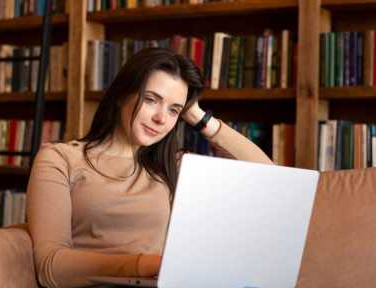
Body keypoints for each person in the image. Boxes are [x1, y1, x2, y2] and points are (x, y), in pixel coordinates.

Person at [27, 47, 273, 288]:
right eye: (151, 100)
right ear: (122, 94)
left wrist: (199, 117)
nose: (161, 119)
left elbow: (269, 178)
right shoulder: (60, 158)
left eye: (174, 110)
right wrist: (147, 265)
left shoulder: (173, 165)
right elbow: (51, 266)